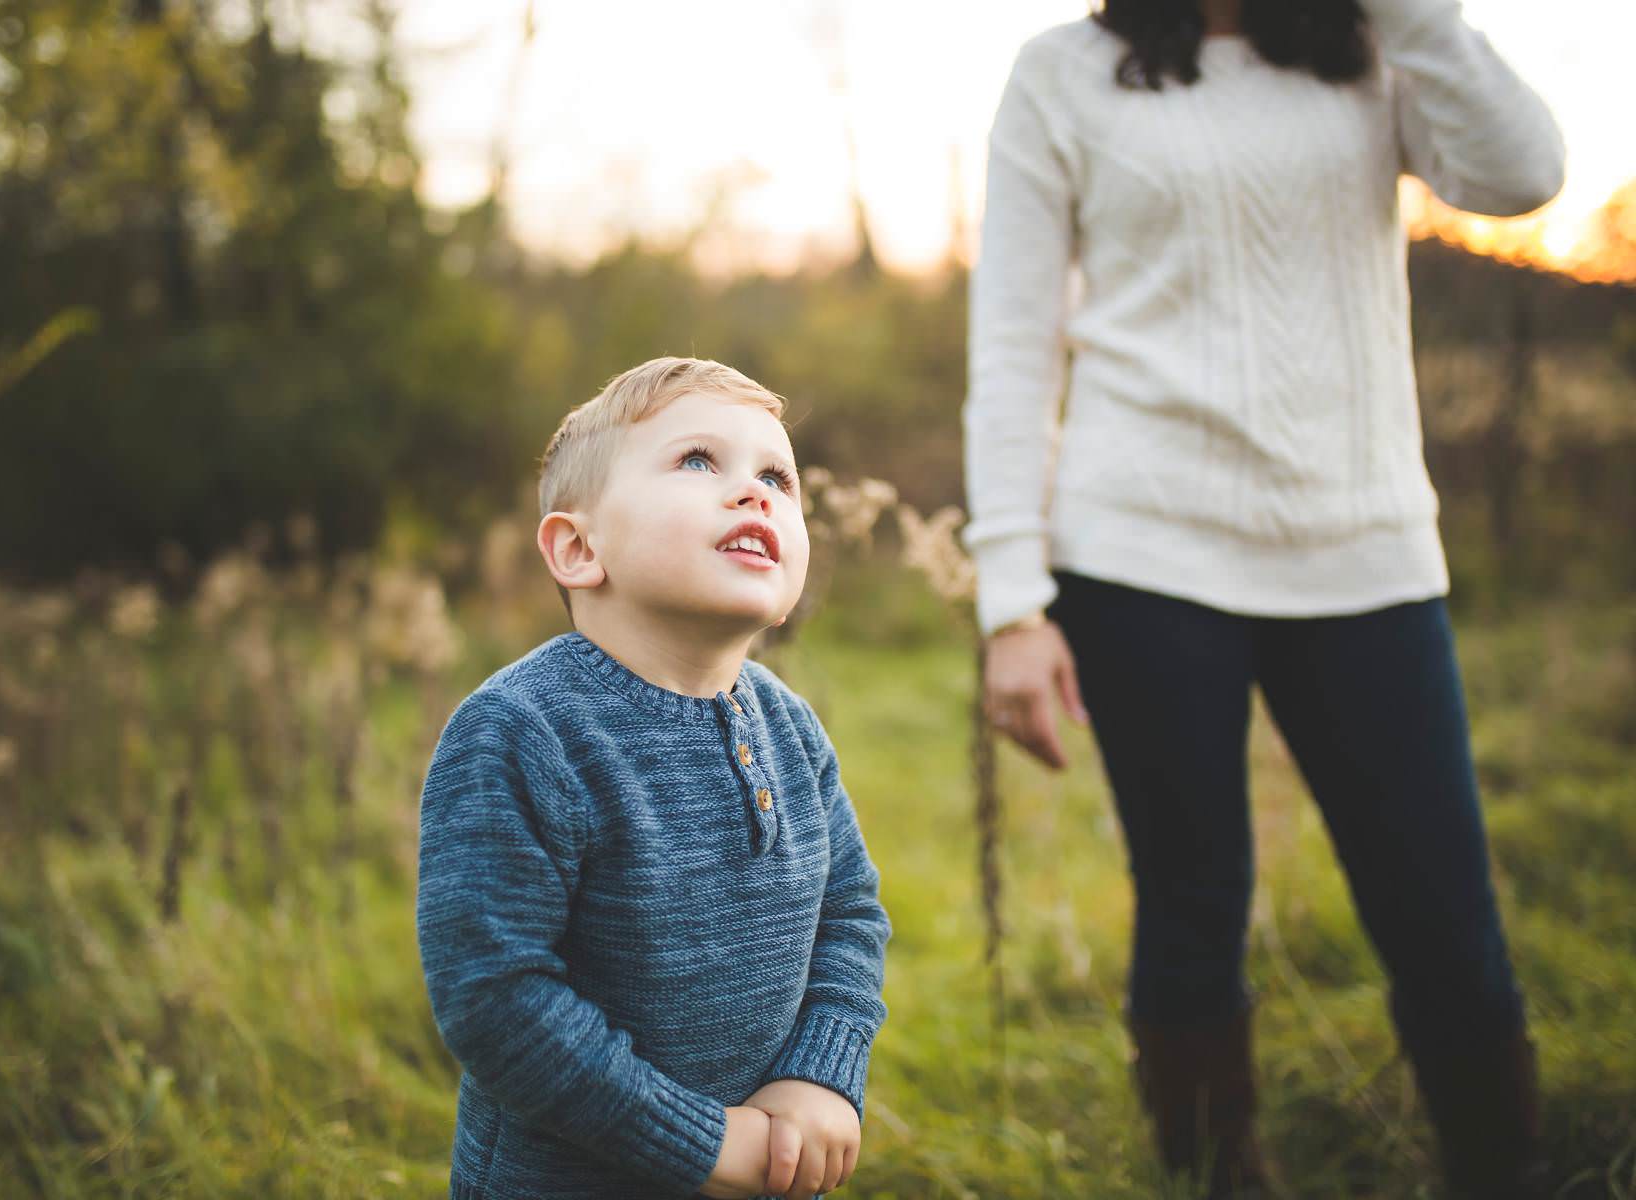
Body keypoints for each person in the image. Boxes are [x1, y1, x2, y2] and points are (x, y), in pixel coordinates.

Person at [962, 0, 1563, 1196]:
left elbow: (1522, 176)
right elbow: (1013, 340)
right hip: (1141, 556)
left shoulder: (1377, 49)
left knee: (1442, 910)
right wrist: (1012, 602)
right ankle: (1216, 1177)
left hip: (1365, 551)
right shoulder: (1063, 75)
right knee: (1191, 904)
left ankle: (1500, 1172)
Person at [416, 356, 891, 1200]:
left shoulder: (791, 728)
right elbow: (495, 994)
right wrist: (704, 1143)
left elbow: (848, 913)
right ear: (578, 548)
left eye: (777, 475)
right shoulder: (525, 730)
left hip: (766, 1167)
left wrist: (821, 1072)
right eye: (699, 462)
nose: (754, 493)